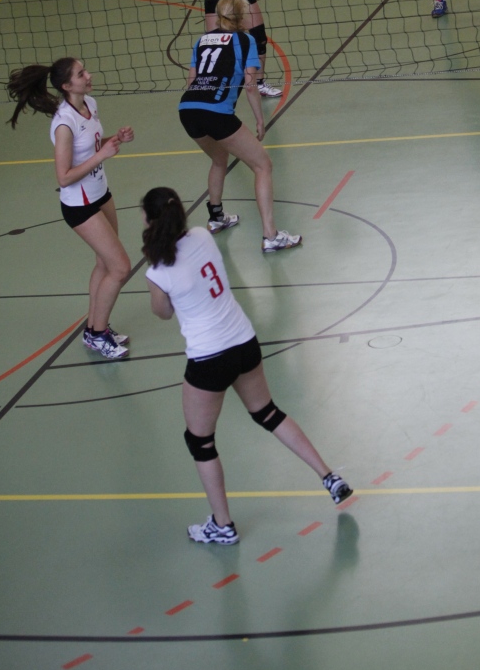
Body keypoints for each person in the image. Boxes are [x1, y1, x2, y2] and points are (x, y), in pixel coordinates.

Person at [142, 186, 352, 545]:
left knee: (200, 441)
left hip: (209, 358)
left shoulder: (159, 269)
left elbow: (161, 313)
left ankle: (222, 525)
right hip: (243, 340)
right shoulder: (202, 235)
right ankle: (329, 476)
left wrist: (161, 279)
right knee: (268, 413)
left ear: (150, 221)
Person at [7, 57, 133, 360]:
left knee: (104, 263)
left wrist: (114, 139)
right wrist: (102, 155)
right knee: (120, 268)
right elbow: (63, 177)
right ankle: (98, 334)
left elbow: (91, 146)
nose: (88, 75)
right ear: (66, 85)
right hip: (80, 204)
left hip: (101, 193)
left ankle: (93, 328)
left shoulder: (89, 103)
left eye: (85, 70)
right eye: (80, 74)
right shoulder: (64, 123)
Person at [180, 0, 301, 252]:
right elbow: (250, 85)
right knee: (263, 165)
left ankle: (216, 218)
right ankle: (270, 235)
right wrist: (260, 120)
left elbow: (191, 82)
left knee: (219, 159)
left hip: (188, 109)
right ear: (241, 16)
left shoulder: (202, 41)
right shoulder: (246, 41)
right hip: (216, 112)